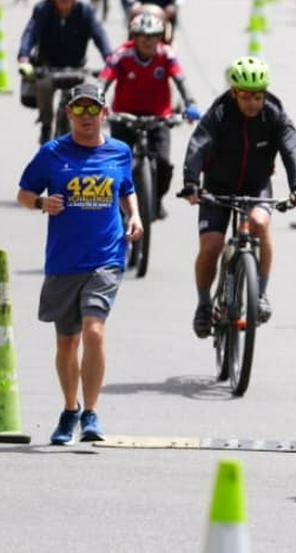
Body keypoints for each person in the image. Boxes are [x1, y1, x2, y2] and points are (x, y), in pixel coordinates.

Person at [16, 83, 142, 445]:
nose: (87, 117)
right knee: (67, 343)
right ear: (69, 113)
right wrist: (41, 204)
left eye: (93, 109)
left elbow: (126, 188)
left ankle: (91, 413)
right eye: (80, 110)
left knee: (94, 330)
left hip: (107, 257)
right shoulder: (52, 154)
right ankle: (70, 409)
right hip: (64, 261)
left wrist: (134, 216)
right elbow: (23, 193)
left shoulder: (119, 151)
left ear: (105, 113)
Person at [180, 57, 296, 340]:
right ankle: (204, 304)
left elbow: (291, 147)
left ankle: (260, 294)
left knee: (259, 224)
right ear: (234, 93)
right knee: (212, 246)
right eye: (246, 97)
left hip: (256, 184)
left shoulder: (274, 113)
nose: (253, 103)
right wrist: (191, 183)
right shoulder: (219, 113)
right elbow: (198, 145)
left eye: (258, 97)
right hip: (216, 186)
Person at [100, 12, 201, 220]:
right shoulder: (122, 55)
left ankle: (156, 200)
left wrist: (191, 103)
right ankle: (116, 205)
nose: (148, 41)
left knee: (163, 162)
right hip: (124, 116)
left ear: (160, 37)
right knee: (116, 163)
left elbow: (181, 80)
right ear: (134, 37)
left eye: (153, 36)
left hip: (159, 117)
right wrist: (97, 103)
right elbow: (104, 80)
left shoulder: (167, 55)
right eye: (142, 36)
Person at [17, 0, 113, 145]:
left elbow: (100, 36)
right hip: (48, 67)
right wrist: (24, 58)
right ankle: (46, 125)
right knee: (43, 85)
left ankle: (85, 130)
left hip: (76, 68)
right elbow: (30, 34)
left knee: (91, 90)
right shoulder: (43, 9)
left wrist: (110, 60)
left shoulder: (85, 11)